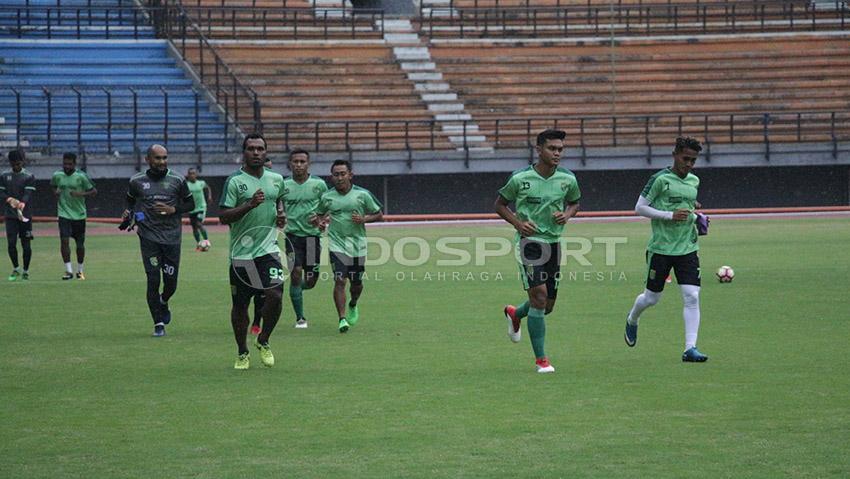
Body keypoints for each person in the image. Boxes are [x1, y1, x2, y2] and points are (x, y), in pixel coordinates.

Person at [495, 129, 581, 374]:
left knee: (547, 306)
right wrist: (518, 223)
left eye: (560, 149)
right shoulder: (520, 178)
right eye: (552, 148)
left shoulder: (568, 179)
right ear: (538, 149)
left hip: (554, 244)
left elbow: (575, 202)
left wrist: (567, 214)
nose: (557, 153)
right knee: (540, 297)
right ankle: (541, 360)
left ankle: (515, 313)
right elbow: (499, 204)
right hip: (529, 242)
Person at [624, 136, 709, 362]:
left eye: (693, 160)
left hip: (687, 248)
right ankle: (632, 318)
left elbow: (687, 204)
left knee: (692, 296)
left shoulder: (694, 181)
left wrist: (696, 214)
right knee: (651, 298)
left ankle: (690, 348)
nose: (689, 164)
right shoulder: (660, 180)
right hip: (661, 249)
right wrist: (669, 215)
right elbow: (639, 208)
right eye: (685, 159)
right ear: (675, 155)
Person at [219, 133, 287, 370]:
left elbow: (279, 201)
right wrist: (249, 205)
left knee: (276, 295)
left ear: (266, 152)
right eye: (251, 149)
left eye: (260, 149)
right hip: (241, 254)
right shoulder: (235, 181)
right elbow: (223, 216)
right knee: (241, 304)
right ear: (244, 152)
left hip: (268, 250)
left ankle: (264, 339)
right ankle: (242, 351)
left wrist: (280, 214)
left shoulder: (277, 179)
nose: (256, 152)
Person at [123, 144, 195, 337]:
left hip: (172, 238)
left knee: (171, 283)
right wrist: (129, 213)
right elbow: (130, 200)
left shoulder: (177, 179)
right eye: (157, 158)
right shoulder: (136, 181)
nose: (162, 162)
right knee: (153, 279)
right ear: (148, 159)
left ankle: (163, 301)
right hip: (148, 237)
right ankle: (158, 323)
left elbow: (190, 203)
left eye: (164, 158)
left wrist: (174, 209)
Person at [311, 159, 382, 333]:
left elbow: (379, 214)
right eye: (336, 174)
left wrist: (364, 219)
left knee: (356, 283)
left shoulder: (362, 194)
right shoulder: (327, 196)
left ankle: (353, 303)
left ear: (350, 175)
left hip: (357, 245)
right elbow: (317, 216)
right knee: (340, 279)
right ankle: (342, 318)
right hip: (336, 245)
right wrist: (319, 223)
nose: (340, 177)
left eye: (343, 174)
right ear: (331, 177)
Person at [277, 149, 328, 329]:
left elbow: (328, 206)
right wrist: (280, 213)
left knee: (312, 279)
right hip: (292, 237)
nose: (299, 165)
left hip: (312, 238)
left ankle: (296, 290)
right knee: (296, 272)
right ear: (290, 164)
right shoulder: (283, 185)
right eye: (295, 161)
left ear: (309, 164)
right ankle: (300, 318)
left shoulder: (319, 184)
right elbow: (277, 205)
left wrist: (322, 220)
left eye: (302, 161)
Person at [51, 152, 97, 280]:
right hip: (63, 213)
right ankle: (68, 271)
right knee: (64, 241)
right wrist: (56, 192)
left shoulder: (81, 176)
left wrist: (80, 194)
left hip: (79, 215)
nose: (67, 166)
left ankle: (80, 270)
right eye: (65, 163)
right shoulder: (57, 175)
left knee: (80, 245)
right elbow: (53, 187)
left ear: (74, 164)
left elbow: (94, 191)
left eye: (70, 164)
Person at [0, 149, 35, 281]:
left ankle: (26, 271)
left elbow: (28, 193)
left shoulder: (29, 176)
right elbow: (1, 193)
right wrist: (9, 199)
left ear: (23, 162)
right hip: (10, 216)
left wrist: (22, 203)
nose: (16, 167)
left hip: (25, 215)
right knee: (11, 243)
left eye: (18, 164)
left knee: (26, 244)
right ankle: (16, 268)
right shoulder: (4, 176)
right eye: (13, 164)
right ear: (10, 163)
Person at [185, 167, 212, 251]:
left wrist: (209, 196)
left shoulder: (201, 183)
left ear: (196, 175)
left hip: (201, 207)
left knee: (199, 223)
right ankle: (198, 243)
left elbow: (208, 187)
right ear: (188, 175)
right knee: (194, 228)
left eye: (193, 173)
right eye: (190, 174)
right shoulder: (186, 185)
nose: (192, 175)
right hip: (192, 209)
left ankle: (207, 240)